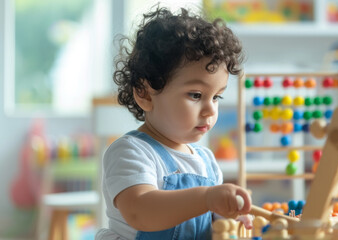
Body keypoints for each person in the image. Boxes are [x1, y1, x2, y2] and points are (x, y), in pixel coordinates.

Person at [95, 6, 252, 240]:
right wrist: (207, 197)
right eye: (196, 95)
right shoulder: (130, 152)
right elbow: (141, 211)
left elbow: (209, 224)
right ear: (145, 94)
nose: (210, 109)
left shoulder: (206, 161)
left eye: (216, 96)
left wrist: (229, 218)